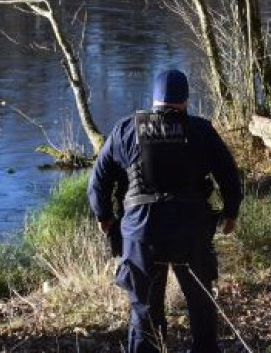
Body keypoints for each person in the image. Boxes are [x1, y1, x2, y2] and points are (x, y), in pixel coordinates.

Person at [88, 69, 242, 353]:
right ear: (185, 100)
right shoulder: (201, 130)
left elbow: (98, 180)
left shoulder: (125, 129)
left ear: (155, 99)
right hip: (191, 229)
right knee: (200, 303)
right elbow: (229, 176)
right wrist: (230, 213)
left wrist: (105, 217)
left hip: (141, 230)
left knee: (144, 308)